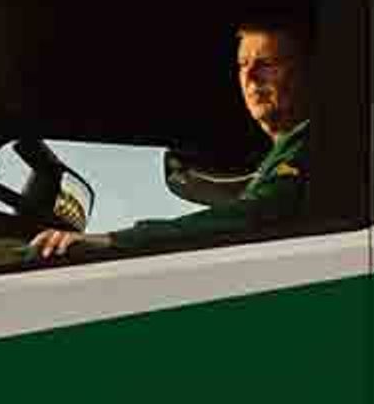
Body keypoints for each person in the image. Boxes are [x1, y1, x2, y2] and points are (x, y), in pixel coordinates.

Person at [28, 19, 314, 259]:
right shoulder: (283, 151)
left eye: (266, 63)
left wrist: (116, 240)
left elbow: (249, 218)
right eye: (242, 64)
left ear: (307, 71)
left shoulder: (310, 146)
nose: (250, 77)